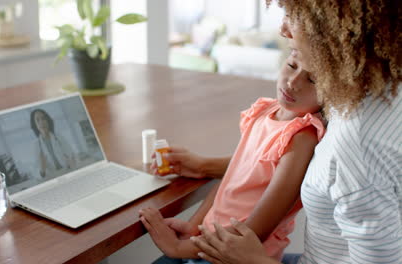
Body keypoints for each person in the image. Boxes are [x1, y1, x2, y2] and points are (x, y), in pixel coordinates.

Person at [181, 1, 402, 263]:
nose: (283, 28)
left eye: (295, 15)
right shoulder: (374, 88)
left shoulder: (356, 146)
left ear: (335, 31)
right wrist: (207, 166)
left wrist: (254, 260)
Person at [139, 50, 327, 263]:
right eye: (292, 65)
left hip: (234, 255)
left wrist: (178, 247)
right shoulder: (265, 111)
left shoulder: (302, 139)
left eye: (311, 80)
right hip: (208, 242)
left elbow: (251, 236)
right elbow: (230, 179)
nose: (293, 82)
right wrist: (195, 227)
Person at [30, 109, 76, 178]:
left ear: (48, 120)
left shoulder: (59, 137)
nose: (41, 122)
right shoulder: (36, 145)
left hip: (67, 172)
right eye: (37, 120)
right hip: (53, 177)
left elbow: (72, 156)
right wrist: (42, 169)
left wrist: (71, 161)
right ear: (35, 125)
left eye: (43, 118)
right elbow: (36, 173)